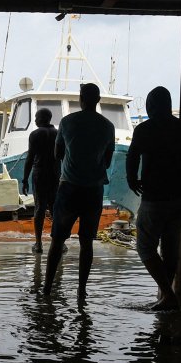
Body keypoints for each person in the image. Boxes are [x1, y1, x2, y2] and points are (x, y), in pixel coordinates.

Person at [41, 83, 115, 301]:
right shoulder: (107, 126)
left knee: (57, 240)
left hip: (69, 188)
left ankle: (47, 288)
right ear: (98, 100)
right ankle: (81, 290)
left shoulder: (67, 122)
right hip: (94, 190)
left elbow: (57, 153)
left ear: (81, 99)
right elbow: (108, 159)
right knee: (87, 243)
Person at [126, 86, 181, 312]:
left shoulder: (145, 129)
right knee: (171, 247)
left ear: (150, 106)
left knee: (145, 246)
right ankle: (167, 295)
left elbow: (133, 156)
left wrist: (131, 179)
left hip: (154, 196)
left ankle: (167, 294)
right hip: (180, 196)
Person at [22, 108, 59, 253]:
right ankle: (59, 243)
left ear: (43, 118)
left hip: (40, 174)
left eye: (36, 117)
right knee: (55, 209)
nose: (35, 120)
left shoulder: (35, 134)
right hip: (56, 174)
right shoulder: (58, 133)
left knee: (40, 208)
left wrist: (24, 179)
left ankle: (38, 244)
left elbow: (30, 158)